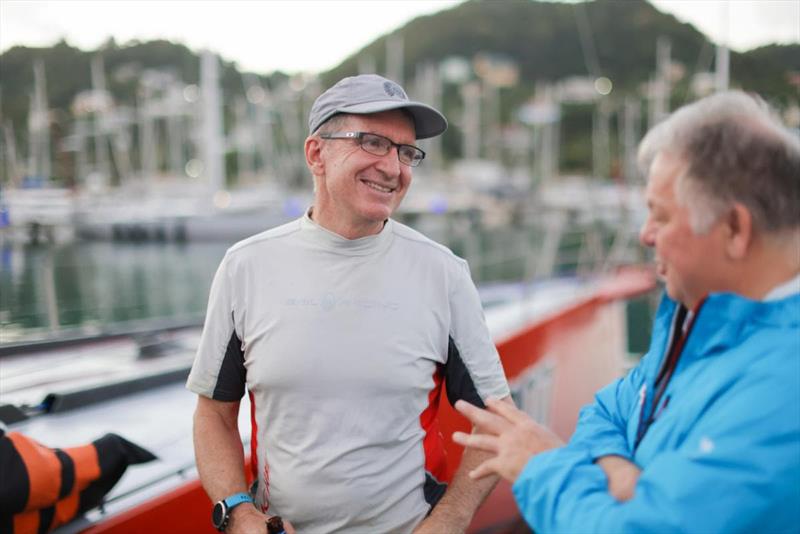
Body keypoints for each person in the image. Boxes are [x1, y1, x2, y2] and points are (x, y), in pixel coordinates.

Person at [453, 90, 800, 533]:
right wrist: (622, 475)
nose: (644, 234)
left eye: (660, 216)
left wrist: (540, 464)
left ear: (734, 229)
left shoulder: (783, 392)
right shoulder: (696, 320)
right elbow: (608, 408)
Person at [187, 74, 511, 534]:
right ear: (316, 153)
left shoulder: (443, 274)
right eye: (374, 142)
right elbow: (214, 414)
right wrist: (238, 512)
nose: (394, 167)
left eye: (406, 152)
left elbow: (497, 421)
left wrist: (449, 522)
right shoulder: (246, 267)